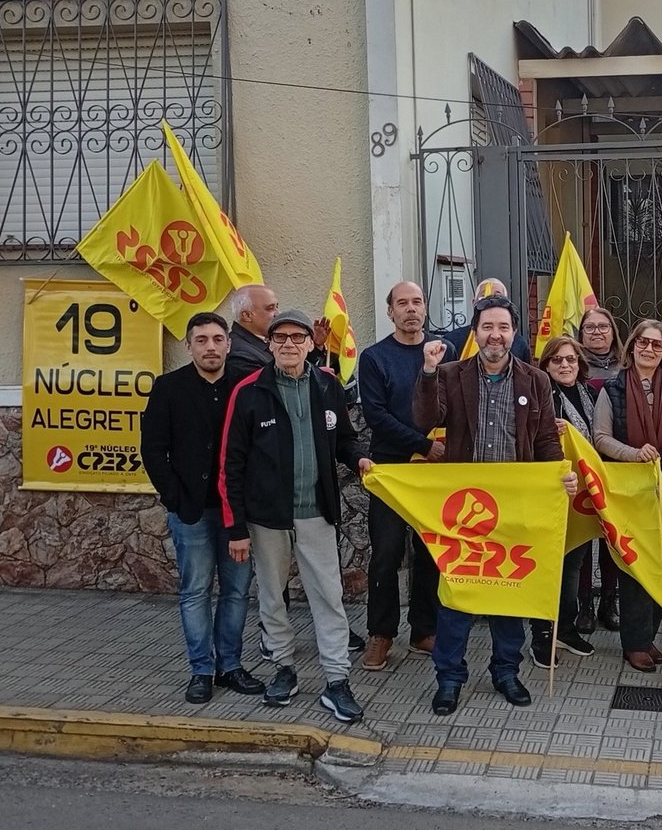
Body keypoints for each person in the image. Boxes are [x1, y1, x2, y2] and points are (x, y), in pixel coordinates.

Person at [415, 295, 577, 716]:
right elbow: (424, 419)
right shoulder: (451, 374)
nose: (495, 335)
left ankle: (507, 671)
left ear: (513, 333)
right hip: (464, 508)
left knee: (510, 592)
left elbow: (544, 439)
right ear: (476, 331)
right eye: (487, 326)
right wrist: (429, 371)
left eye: (503, 327)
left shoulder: (534, 380)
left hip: (515, 507)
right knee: (457, 594)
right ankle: (449, 677)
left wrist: (557, 476)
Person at [221, 310, 372, 723]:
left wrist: (358, 457)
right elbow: (230, 463)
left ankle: (337, 681)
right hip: (267, 518)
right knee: (272, 598)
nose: (288, 344)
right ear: (269, 344)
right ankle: (284, 670)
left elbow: (344, 437)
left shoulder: (327, 385)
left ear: (310, 343)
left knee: (329, 597)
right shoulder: (249, 391)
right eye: (280, 337)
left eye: (297, 337)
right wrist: (235, 527)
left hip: (317, 514)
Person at [139, 312, 265, 704]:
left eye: (217, 339)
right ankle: (201, 670)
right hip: (191, 510)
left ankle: (230, 666)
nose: (210, 346)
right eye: (201, 340)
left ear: (228, 343)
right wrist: (174, 498)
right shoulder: (168, 388)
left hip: (237, 514)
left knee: (237, 591)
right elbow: (153, 450)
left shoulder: (246, 388)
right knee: (194, 591)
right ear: (189, 345)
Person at [594, 319, 662, 672]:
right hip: (629, 493)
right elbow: (600, 437)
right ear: (631, 347)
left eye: (657, 345)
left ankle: (649, 635)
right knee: (635, 567)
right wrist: (633, 454)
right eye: (643, 343)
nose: (649, 349)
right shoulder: (613, 389)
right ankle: (634, 642)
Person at [356, 281, 442, 671]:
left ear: (426, 308)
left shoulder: (444, 352)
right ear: (390, 311)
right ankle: (381, 634)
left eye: (417, 302)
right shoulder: (375, 358)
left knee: (429, 553)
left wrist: (438, 450)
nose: (411, 309)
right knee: (387, 554)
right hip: (391, 471)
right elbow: (376, 416)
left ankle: (424, 630)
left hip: (433, 475)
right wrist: (423, 445)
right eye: (402, 303)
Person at [533, 335, 598, 667]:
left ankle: (566, 627)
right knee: (547, 566)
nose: (565, 365)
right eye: (557, 360)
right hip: (551, 494)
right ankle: (542, 633)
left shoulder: (589, 394)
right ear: (545, 365)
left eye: (571, 359)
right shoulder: (539, 396)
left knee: (573, 564)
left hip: (582, 495)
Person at [574, 306, 624, 634]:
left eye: (603, 326)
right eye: (590, 327)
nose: (597, 332)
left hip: (615, 463)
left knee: (610, 536)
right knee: (581, 537)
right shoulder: (571, 366)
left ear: (613, 332)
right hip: (579, 464)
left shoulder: (626, 366)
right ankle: (584, 605)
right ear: (580, 335)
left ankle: (609, 600)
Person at [439, 277, 534, 364]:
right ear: (474, 303)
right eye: (484, 296)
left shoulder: (520, 344)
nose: (490, 301)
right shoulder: (452, 340)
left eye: (497, 296)